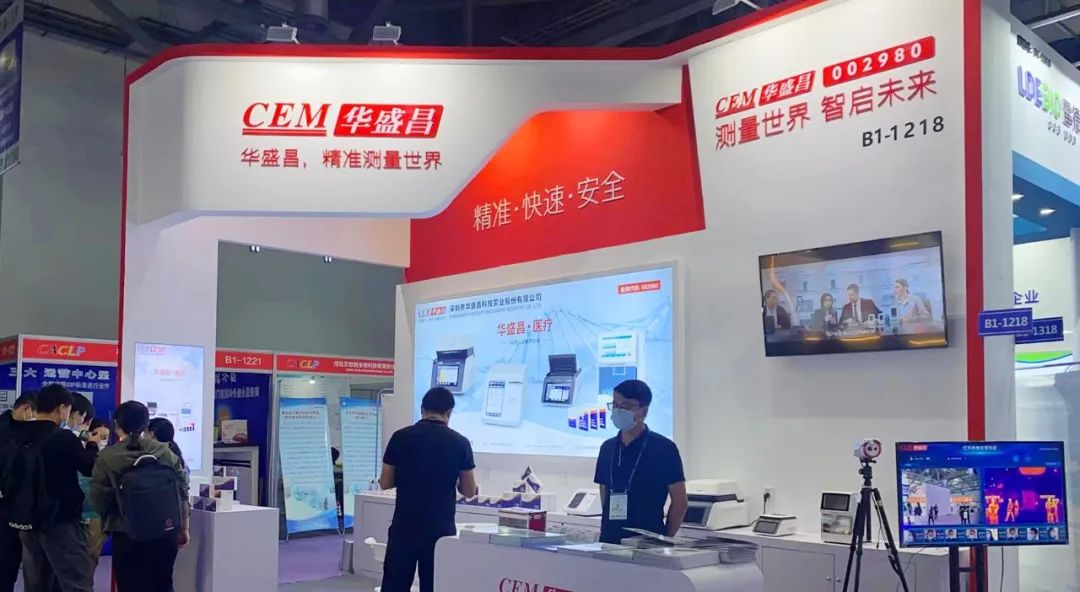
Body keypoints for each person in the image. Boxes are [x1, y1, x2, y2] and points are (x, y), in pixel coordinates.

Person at [378, 387, 477, 592]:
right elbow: (469, 490)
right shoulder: (461, 443)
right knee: (434, 586)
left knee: (395, 586)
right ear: (449, 412)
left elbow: (385, 482)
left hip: (404, 526)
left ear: (422, 409)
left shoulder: (400, 437)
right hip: (440, 529)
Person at [9, 385, 105, 592]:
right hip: (59, 519)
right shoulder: (63, 437)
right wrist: (91, 444)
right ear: (62, 408)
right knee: (75, 579)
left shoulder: (18, 433)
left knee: (36, 581)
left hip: (26, 518)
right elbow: (89, 467)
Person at [91, 401, 190, 592]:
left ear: (117, 426)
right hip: (165, 530)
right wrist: (184, 526)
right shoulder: (165, 452)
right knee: (163, 584)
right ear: (145, 425)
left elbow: (99, 497)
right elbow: (182, 491)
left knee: (130, 585)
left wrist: (108, 521)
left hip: (126, 532)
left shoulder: (107, 457)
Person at [594, 380, 688, 544]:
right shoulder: (607, 448)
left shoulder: (664, 448)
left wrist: (664, 539)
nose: (618, 410)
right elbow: (604, 493)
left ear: (643, 411)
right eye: (615, 405)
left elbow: (680, 502)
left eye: (625, 405)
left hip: (648, 543)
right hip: (609, 540)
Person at [0, 392, 35, 592]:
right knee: (6, 560)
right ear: (25, 408)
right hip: (6, 504)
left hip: (18, 505)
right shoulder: (5, 432)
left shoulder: (24, 432)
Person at [80, 419, 111, 568]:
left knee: (91, 558)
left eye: (104, 437)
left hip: (97, 515)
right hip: (74, 514)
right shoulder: (77, 453)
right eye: (96, 434)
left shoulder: (109, 459)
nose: (99, 439)